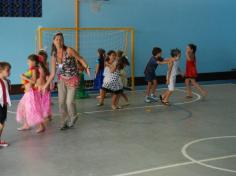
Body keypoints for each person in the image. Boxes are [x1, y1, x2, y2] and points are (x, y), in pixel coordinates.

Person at [43, 32, 90, 130]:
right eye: (57, 39)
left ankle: (73, 117)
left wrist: (86, 66)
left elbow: (80, 58)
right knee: (61, 103)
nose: (59, 41)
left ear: (63, 40)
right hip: (62, 81)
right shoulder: (54, 55)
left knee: (69, 102)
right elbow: (53, 74)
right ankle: (64, 121)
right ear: (53, 41)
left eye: (61, 39)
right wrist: (45, 85)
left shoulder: (69, 50)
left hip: (73, 80)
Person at [16, 54, 45, 133]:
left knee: (33, 109)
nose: (27, 63)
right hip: (28, 92)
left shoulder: (34, 69)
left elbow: (34, 81)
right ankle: (26, 125)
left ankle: (41, 126)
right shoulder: (31, 69)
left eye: (29, 61)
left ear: (34, 62)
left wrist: (23, 77)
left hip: (31, 93)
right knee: (23, 107)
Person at [36, 61, 51, 131]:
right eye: (38, 67)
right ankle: (43, 121)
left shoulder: (44, 73)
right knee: (40, 107)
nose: (39, 69)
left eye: (40, 67)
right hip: (40, 90)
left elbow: (48, 80)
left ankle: (42, 124)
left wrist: (47, 87)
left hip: (43, 90)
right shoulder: (38, 73)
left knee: (42, 106)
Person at [0, 62, 11, 147]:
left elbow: (6, 93)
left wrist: (7, 102)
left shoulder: (6, 81)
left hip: (4, 104)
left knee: (2, 122)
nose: (9, 72)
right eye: (7, 70)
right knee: (0, 123)